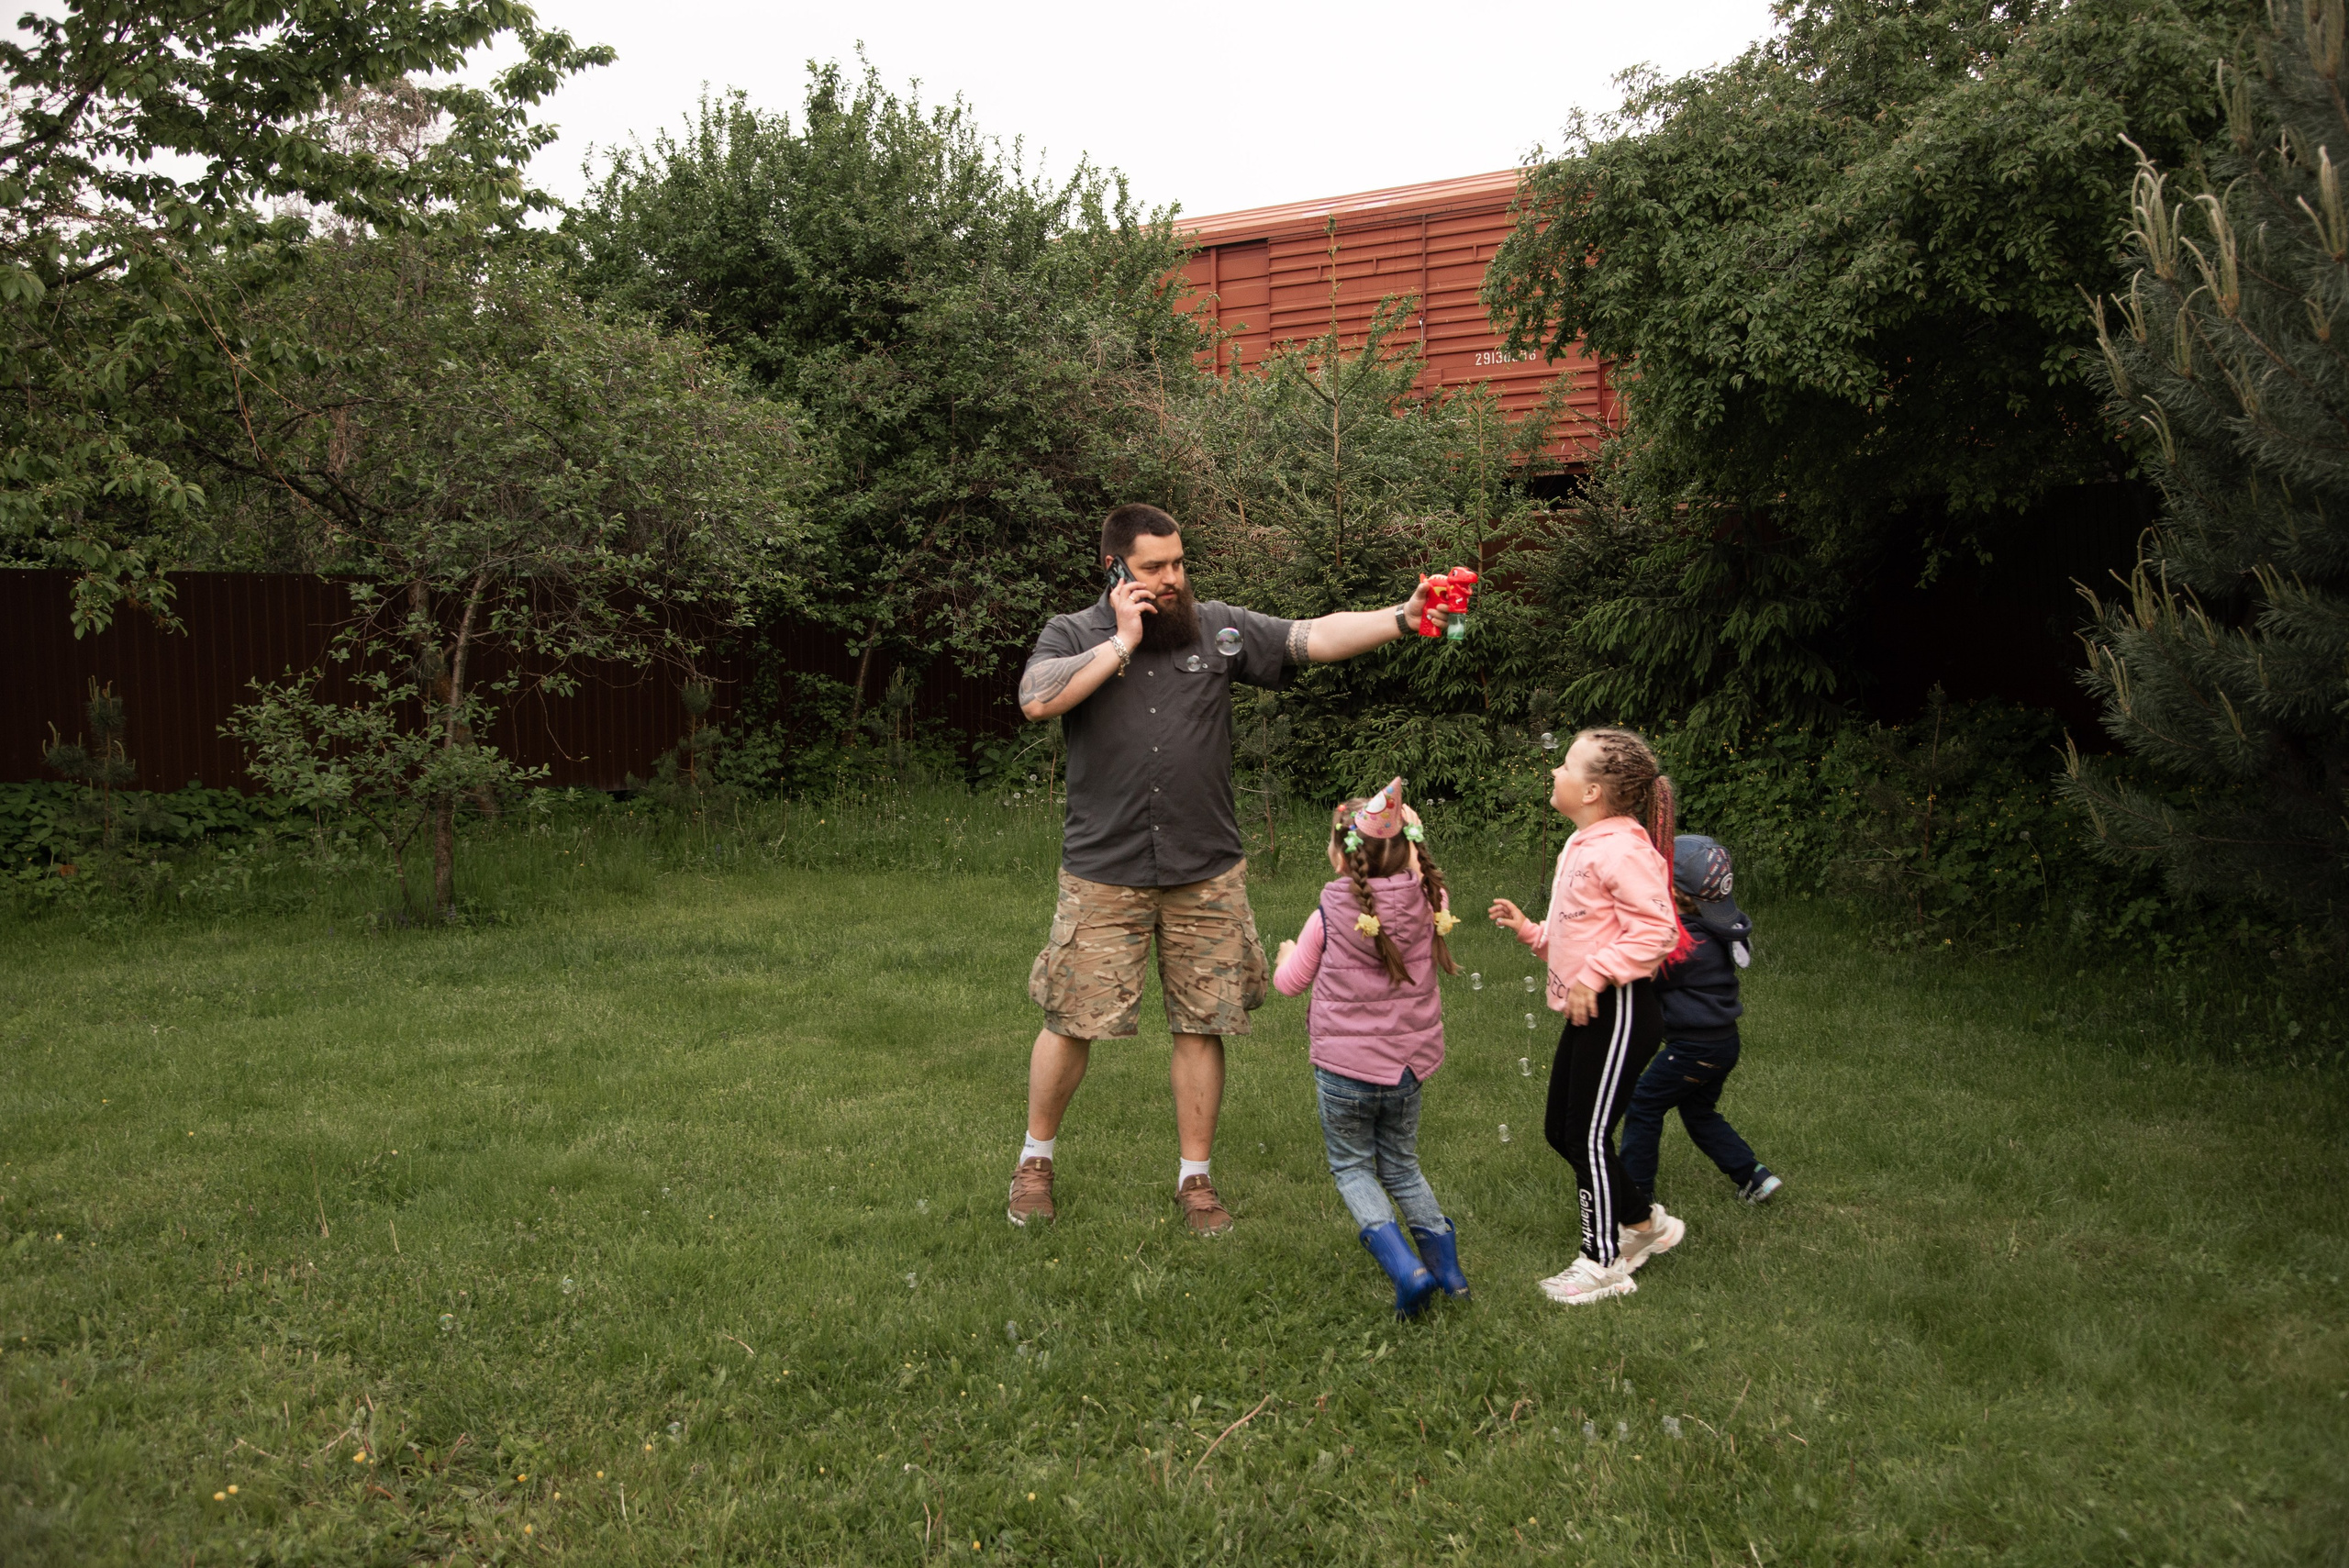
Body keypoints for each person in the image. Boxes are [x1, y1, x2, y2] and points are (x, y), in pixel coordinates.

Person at [1007, 503, 1462, 1235]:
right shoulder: (1072, 634)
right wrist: (1121, 641)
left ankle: (1196, 1180)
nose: (1173, 579)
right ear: (1115, 568)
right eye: (1154, 567)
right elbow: (1036, 699)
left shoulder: (1213, 626)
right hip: (1104, 870)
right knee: (1071, 1019)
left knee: (1202, 1022)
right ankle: (1035, 1161)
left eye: (1179, 562)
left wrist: (1401, 619)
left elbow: (1312, 636)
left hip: (1206, 870)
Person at [1486, 727, 1687, 1306]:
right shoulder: (1584, 844)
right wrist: (1533, 932)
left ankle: (1603, 1261)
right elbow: (1584, 931)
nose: (1555, 773)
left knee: (1588, 1135)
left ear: (1594, 791)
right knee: (1562, 1131)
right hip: (1591, 1010)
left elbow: (1657, 931)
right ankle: (1646, 1224)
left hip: (1620, 1010)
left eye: (1566, 767)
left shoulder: (1624, 849)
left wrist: (1595, 975)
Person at [1271, 782, 1470, 1318]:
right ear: (1411, 847)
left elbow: (1290, 984)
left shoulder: (1330, 913)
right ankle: (1449, 1274)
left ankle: (1408, 1271)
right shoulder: (1432, 900)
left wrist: (1287, 952)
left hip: (1344, 1072)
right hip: (1408, 1069)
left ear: (1339, 856)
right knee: (1402, 1166)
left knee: (1353, 1167)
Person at [1621, 835, 1783, 1211]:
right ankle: (1754, 1177)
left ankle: (1637, 1197)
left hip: (1695, 1049)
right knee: (1698, 1112)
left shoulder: (1685, 943)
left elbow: (1643, 976)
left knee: (1643, 1104)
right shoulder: (1714, 930)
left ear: (1674, 894)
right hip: (1722, 1044)